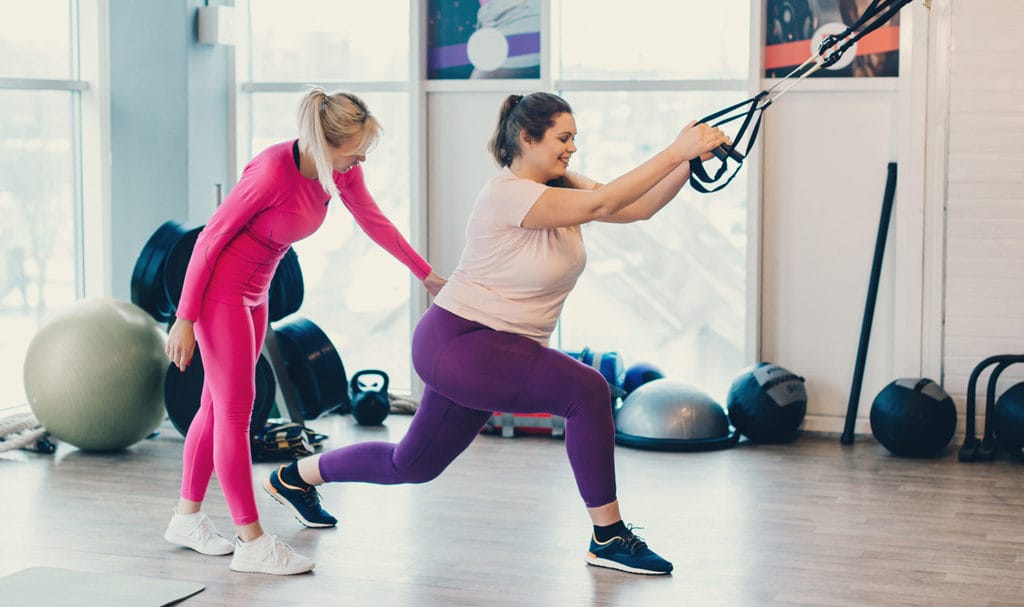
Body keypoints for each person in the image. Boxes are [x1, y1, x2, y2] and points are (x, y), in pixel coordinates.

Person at [263, 92, 727, 575]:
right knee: (588, 391)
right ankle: (608, 537)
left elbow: (634, 208)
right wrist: (677, 149)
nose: (572, 148)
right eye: (563, 138)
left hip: (487, 350)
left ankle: (295, 477)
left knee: (413, 465)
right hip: (459, 341)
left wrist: (688, 163)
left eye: (575, 139)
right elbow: (606, 201)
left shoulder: (562, 185)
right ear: (527, 138)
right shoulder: (509, 194)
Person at [162, 86, 445, 576]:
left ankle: (186, 518)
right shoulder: (272, 171)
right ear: (323, 141)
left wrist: (426, 275)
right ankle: (251, 539)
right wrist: (185, 318)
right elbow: (210, 240)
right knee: (234, 411)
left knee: (216, 405)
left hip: (257, 293)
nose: (360, 158)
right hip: (220, 295)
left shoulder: (341, 174)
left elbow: (375, 222)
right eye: (354, 148)